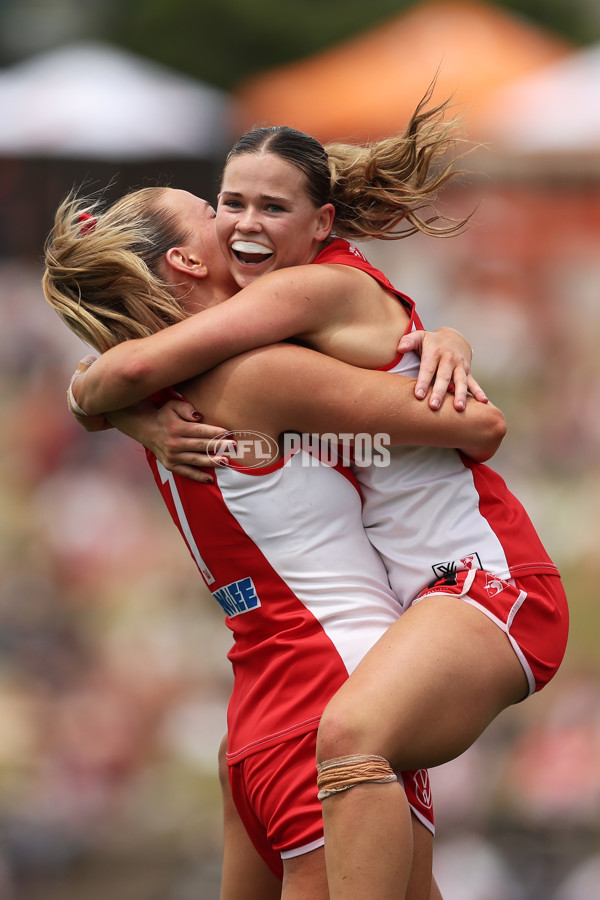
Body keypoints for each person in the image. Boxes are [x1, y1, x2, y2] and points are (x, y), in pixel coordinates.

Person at [60, 97, 569, 900]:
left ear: (318, 219)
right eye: (219, 207)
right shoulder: (246, 367)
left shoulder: (216, 361)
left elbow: (482, 421)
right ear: (189, 262)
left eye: (263, 206)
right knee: (361, 751)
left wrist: (97, 401)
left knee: (358, 743)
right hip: (328, 673)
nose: (236, 225)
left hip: (310, 679)